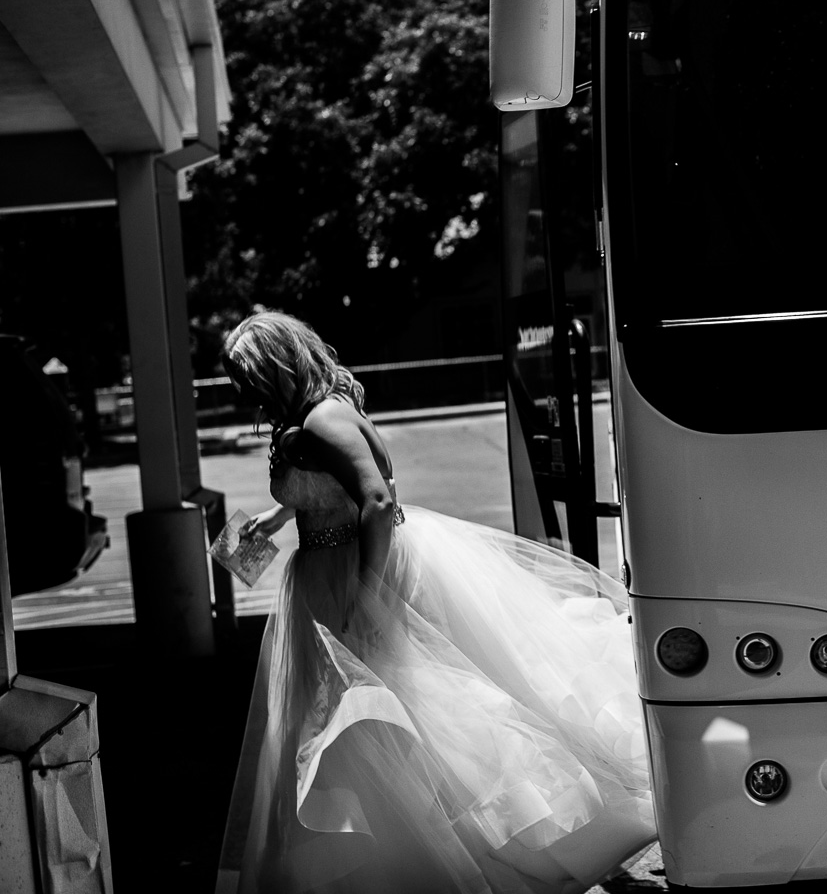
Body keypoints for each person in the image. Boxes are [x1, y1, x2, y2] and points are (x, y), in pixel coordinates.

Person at [221, 311, 655, 893]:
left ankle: (464, 854)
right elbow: (340, 487)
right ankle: (395, 853)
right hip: (327, 576)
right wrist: (276, 519)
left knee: (408, 719)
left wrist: (367, 600)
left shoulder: (324, 417)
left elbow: (376, 499)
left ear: (273, 368)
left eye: (245, 378)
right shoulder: (311, 416)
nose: (240, 391)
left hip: (352, 575)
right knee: (363, 726)